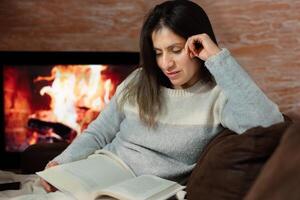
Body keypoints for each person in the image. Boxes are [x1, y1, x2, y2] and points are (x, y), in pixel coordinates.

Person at [40, 0, 283, 194]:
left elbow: (270, 124)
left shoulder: (218, 95)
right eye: (158, 53)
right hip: (104, 168)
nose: (166, 64)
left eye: (176, 50)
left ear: (197, 45)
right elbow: (100, 131)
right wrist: (62, 163)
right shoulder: (138, 80)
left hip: (148, 190)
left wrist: (218, 58)